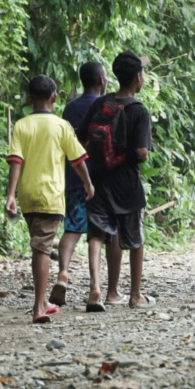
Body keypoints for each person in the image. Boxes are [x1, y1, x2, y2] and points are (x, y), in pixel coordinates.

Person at [5, 75, 95, 324]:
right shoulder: (61, 126)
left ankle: (43, 302)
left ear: (29, 98)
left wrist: (11, 195)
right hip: (51, 196)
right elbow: (77, 160)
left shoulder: (22, 125)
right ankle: (38, 307)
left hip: (28, 195)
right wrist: (88, 184)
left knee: (39, 246)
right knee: (42, 249)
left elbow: (16, 161)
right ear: (54, 98)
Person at [77, 51, 155, 311]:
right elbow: (142, 152)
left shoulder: (101, 104)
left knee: (100, 234)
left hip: (98, 179)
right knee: (135, 238)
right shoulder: (139, 110)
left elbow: (81, 138)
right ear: (137, 78)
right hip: (127, 184)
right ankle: (135, 295)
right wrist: (132, 155)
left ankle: (101, 290)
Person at [49, 61, 125, 307]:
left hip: (74, 177)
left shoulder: (70, 108)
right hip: (102, 180)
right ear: (102, 80)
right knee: (99, 234)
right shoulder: (108, 106)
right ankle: (96, 287)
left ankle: (63, 274)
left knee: (72, 229)